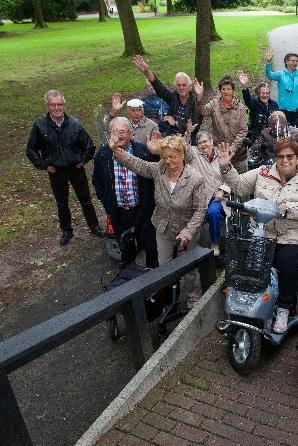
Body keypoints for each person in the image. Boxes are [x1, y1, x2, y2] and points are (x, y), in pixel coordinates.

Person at [217, 138, 298, 333]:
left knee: (286, 262)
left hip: (294, 236)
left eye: (290, 156)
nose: (285, 160)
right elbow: (240, 186)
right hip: (263, 232)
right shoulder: (263, 172)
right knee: (245, 260)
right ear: (275, 158)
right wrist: (226, 167)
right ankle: (245, 301)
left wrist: (289, 209)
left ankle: (285, 308)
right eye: (280, 156)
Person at [111, 133, 207, 308]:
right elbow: (137, 164)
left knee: (188, 268)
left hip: (186, 231)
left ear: (183, 155)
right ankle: (170, 295)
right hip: (162, 228)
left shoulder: (195, 179)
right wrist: (118, 152)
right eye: (164, 157)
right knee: (165, 266)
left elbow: (200, 211)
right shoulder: (159, 169)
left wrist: (188, 232)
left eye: (172, 157)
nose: (168, 161)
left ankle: (192, 294)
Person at [26, 90, 105, 246]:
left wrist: (83, 161)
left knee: (86, 200)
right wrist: (44, 165)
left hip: (76, 169)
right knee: (62, 203)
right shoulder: (40, 126)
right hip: (56, 172)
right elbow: (31, 150)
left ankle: (94, 226)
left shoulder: (74, 124)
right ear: (47, 106)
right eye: (53, 105)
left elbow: (89, 146)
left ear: (64, 105)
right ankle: (66, 231)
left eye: (59, 104)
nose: (56, 108)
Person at [92, 117, 158, 268]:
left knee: (150, 245)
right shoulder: (102, 155)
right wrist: (107, 203)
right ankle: (129, 274)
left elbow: (158, 174)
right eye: (114, 131)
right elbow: (97, 181)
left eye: (122, 131)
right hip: (119, 212)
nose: (119, 135)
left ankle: (153, 276)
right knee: (125, 246)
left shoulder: (143, 151)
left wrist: (156, 152)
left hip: (143, 209)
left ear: (130, 133)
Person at [180, 125, 230, 257]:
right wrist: (188, 134)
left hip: (217, 195)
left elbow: (230, 178)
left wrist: (222, 190)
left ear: (212, 142)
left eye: (205, 141)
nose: (203, 145)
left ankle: (215, 243)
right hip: (198, 195)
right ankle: (187, 243)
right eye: (200, 143)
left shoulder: (221, 155)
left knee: (213, 212)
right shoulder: (194, 154)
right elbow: (184, 149)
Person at [133, 55, 202, 141]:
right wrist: (146, 71)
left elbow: (193, 128)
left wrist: (174, 123)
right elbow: (158, 87)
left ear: (190, 86)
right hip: (171, 139)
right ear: (175, 86)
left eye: (184, 85)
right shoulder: (173, 98)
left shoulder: (195, 103)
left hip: (189, 142)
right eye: (178, 85)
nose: (181, 87)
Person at [194, 76, 248, 173]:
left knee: (240, 183)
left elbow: (243, 130)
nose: (226, 92)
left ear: (233, 91)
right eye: (223, 89)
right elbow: (203, 112)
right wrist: (199, 98)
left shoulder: (241, 108)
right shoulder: (214, 104)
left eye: (229, 89)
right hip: (219, 153)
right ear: (220, 91)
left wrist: (234, 147)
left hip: (238, 155)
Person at [264, 50, 298, 128]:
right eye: (293, 61)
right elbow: (269, 75)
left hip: (296, 109)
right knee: (283, 131)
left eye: (296, 61)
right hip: (283, 109)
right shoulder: (281, 74)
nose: (295, 63)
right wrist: (268, 61)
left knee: (295, 132)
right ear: (286, 62)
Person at [237, 70, 279, 141]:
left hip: (272, 137)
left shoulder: (274, 104)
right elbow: (247, 99)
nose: (265, 95)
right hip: (258, 138)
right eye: (263, 93)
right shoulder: (254, 103)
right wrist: (244, 86)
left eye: (267, 93)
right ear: (259, 93)